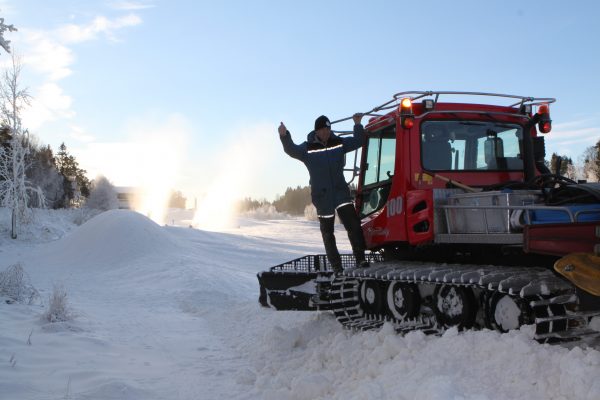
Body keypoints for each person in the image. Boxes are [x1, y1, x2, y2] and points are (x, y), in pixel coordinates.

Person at [278, 113, 368, 273]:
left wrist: (358, 124)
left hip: (341, 193)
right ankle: (337, 267)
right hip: (323, 197)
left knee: (353, 226)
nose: (326, 132)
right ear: (317, 131)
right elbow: (291, 150)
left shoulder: (338, 143)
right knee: (328, 234)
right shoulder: (307, 148)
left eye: (328, 129)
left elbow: (359, 141)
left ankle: (360, 260)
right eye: (323, 129)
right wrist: (284, 136)